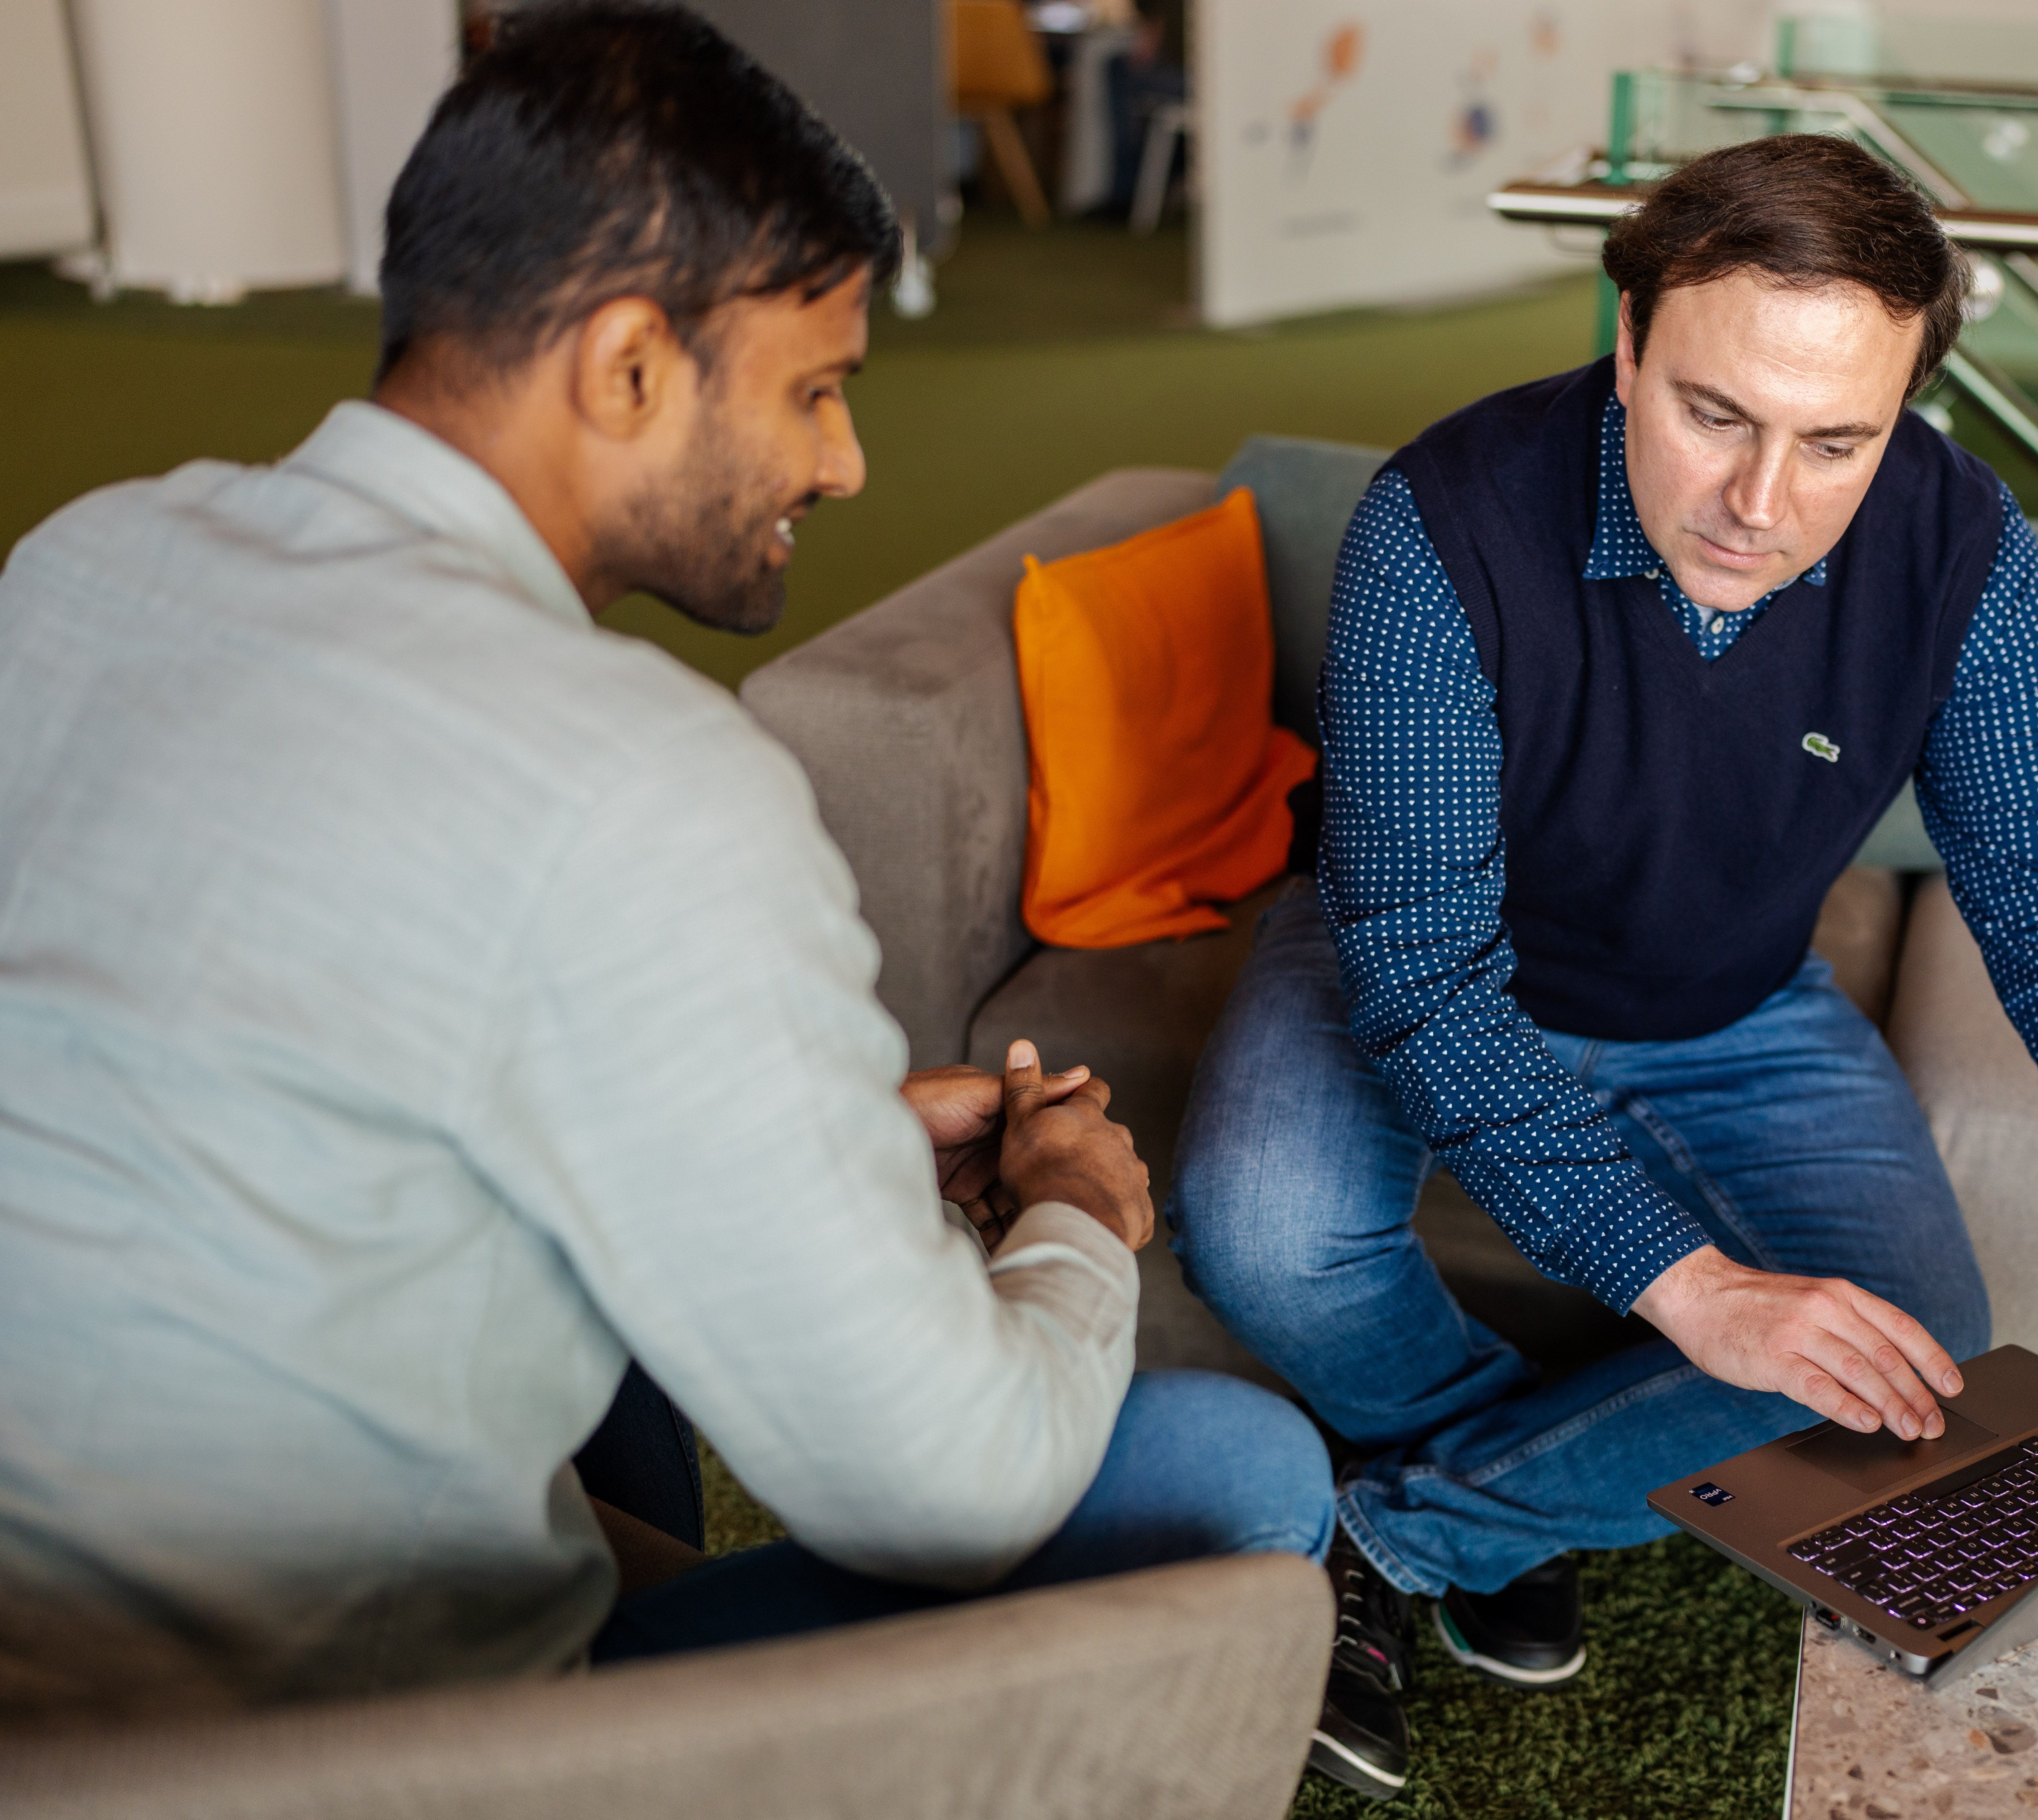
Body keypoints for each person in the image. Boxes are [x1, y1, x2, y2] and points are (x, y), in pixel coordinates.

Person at [0, 1, 1347, 1739]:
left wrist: (836, 1135)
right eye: (815, 388)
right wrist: (1081, 1207)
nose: (844, 462)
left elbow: (287, 1074)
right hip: (319, 1750)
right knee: (1235, 1470)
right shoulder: (636, 784)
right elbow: (952, 1498)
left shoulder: (83, 563)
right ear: (631, 368)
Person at [1169, 134, 2038, 1800]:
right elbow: (1426, 988)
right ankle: (1515, 1496)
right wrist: (1696, 1290)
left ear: (1903, 413)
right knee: (1265, 1229)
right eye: (1712, 415)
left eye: (1836, 441)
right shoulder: (1437, 524)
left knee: (1916, 1364)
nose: (1760, 503)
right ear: (1624, 347)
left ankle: (1396, 1532)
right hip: (1424, 954)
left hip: (1729, 1003)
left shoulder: (1960, 548)